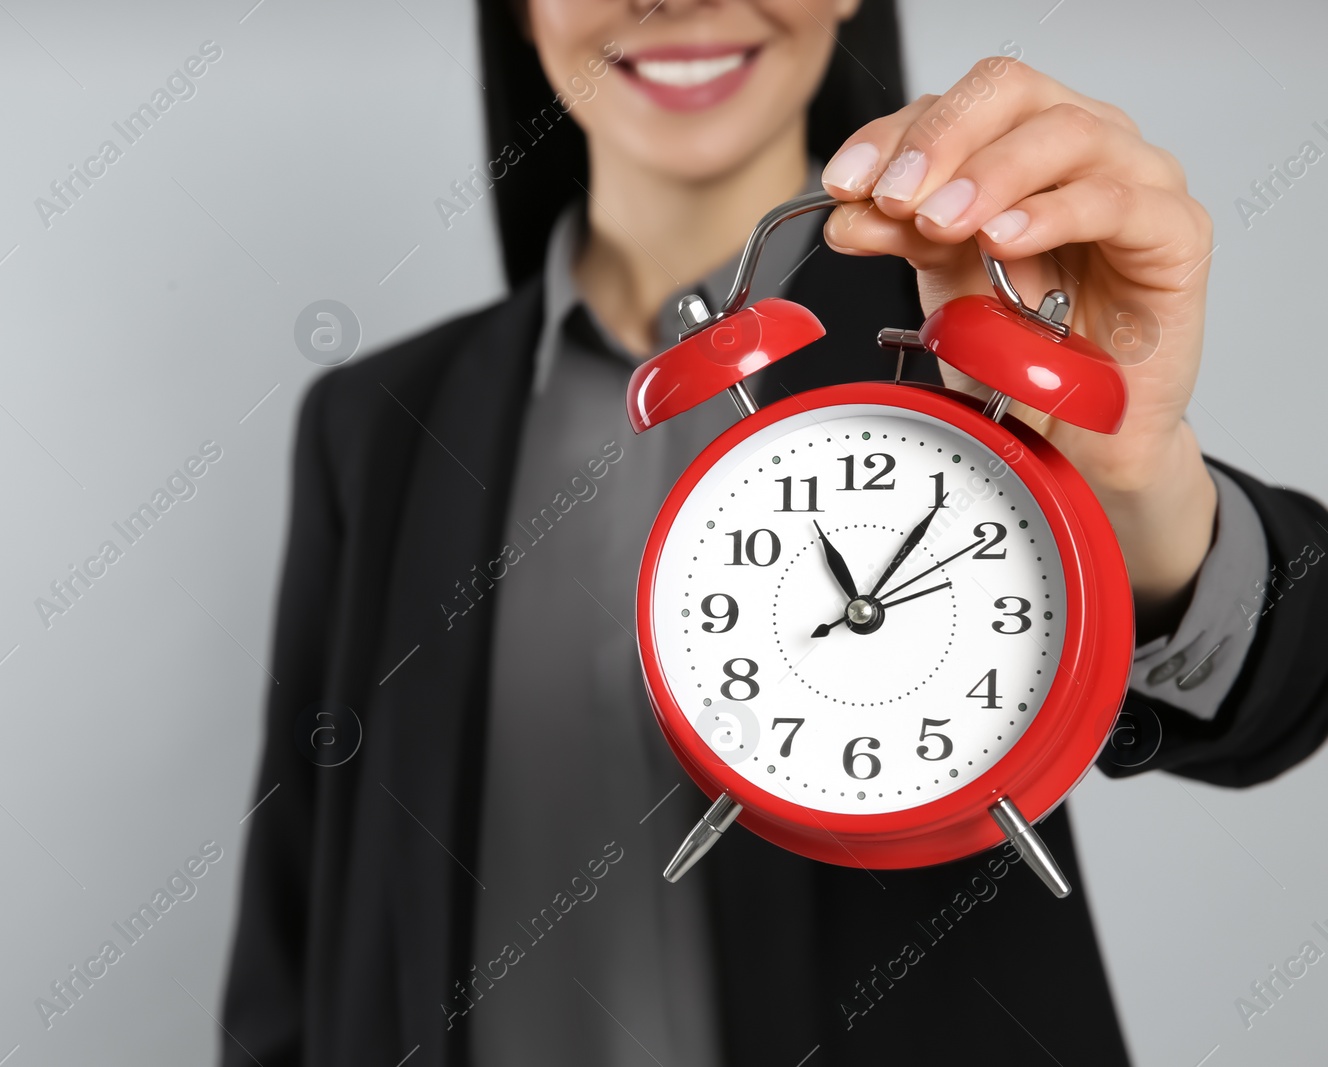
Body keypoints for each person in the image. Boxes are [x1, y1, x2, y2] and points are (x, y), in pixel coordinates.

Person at [219, 1, 1328, 1064]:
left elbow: (1290, 686)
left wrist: (1132, 475)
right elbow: (301, 888)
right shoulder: (380, 423)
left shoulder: (962, 342)